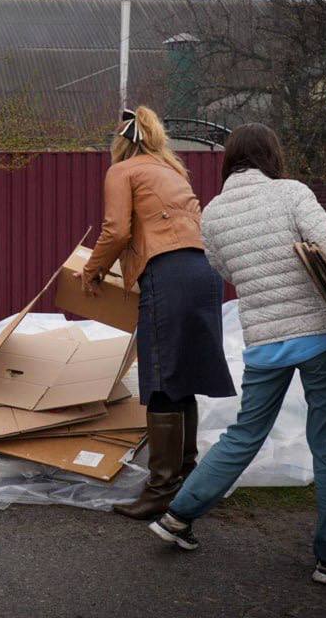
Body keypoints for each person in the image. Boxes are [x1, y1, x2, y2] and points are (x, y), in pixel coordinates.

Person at [148, 123, 326, 588]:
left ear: (229, 160)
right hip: (321, 338)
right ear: (272, 155)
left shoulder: (215, 213)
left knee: (244, 434)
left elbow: (221, 267)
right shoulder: (292, 193)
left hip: (264, 340)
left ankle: (178, 516)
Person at [79, 106, 234, 520]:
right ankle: (186, 479)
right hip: (205, 272)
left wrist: (91, 273)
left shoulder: (123, 171)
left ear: (121, 142)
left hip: (168, 274)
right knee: (183, 377)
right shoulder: (172, 170)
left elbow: (117, 230)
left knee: (163, 377)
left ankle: (160, 491)